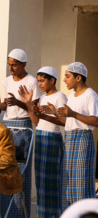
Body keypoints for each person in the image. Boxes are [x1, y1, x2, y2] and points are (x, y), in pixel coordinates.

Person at [0, 48, 41, 217]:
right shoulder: (6, 81)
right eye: (9, 65)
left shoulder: (32, 81)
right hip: (7, 126)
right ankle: (6, 213)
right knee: (5, 168)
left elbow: (33, 110)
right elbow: (7, 105)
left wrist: (19, 103)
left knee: (20, 171)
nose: (11, 68)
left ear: (24, 64)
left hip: (24, 127)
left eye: (14, 65)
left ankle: (20, 214)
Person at [42, 62, 98, 213]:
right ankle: (70, 214)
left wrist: (73, 114)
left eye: (67, 76)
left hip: (83, 140)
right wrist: (54, 112)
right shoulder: (71, 95)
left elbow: (95, 120)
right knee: (67, 184)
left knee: (80, 185)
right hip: (69, 139)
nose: (64, 80)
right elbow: (70, 121)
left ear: (78, 77)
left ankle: (85, 214)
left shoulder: (90, 94)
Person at [18, 66, 67, 218]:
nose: (39, 84)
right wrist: (28, 103)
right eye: (38, 81)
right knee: (40, 181)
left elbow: (64, 121)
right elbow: (36, 122)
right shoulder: (43, 98)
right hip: (40, 137)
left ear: (52, 80)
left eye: (42, 81)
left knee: (51, 181)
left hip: (52, 140)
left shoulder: (60, 97)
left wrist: (48, 114)